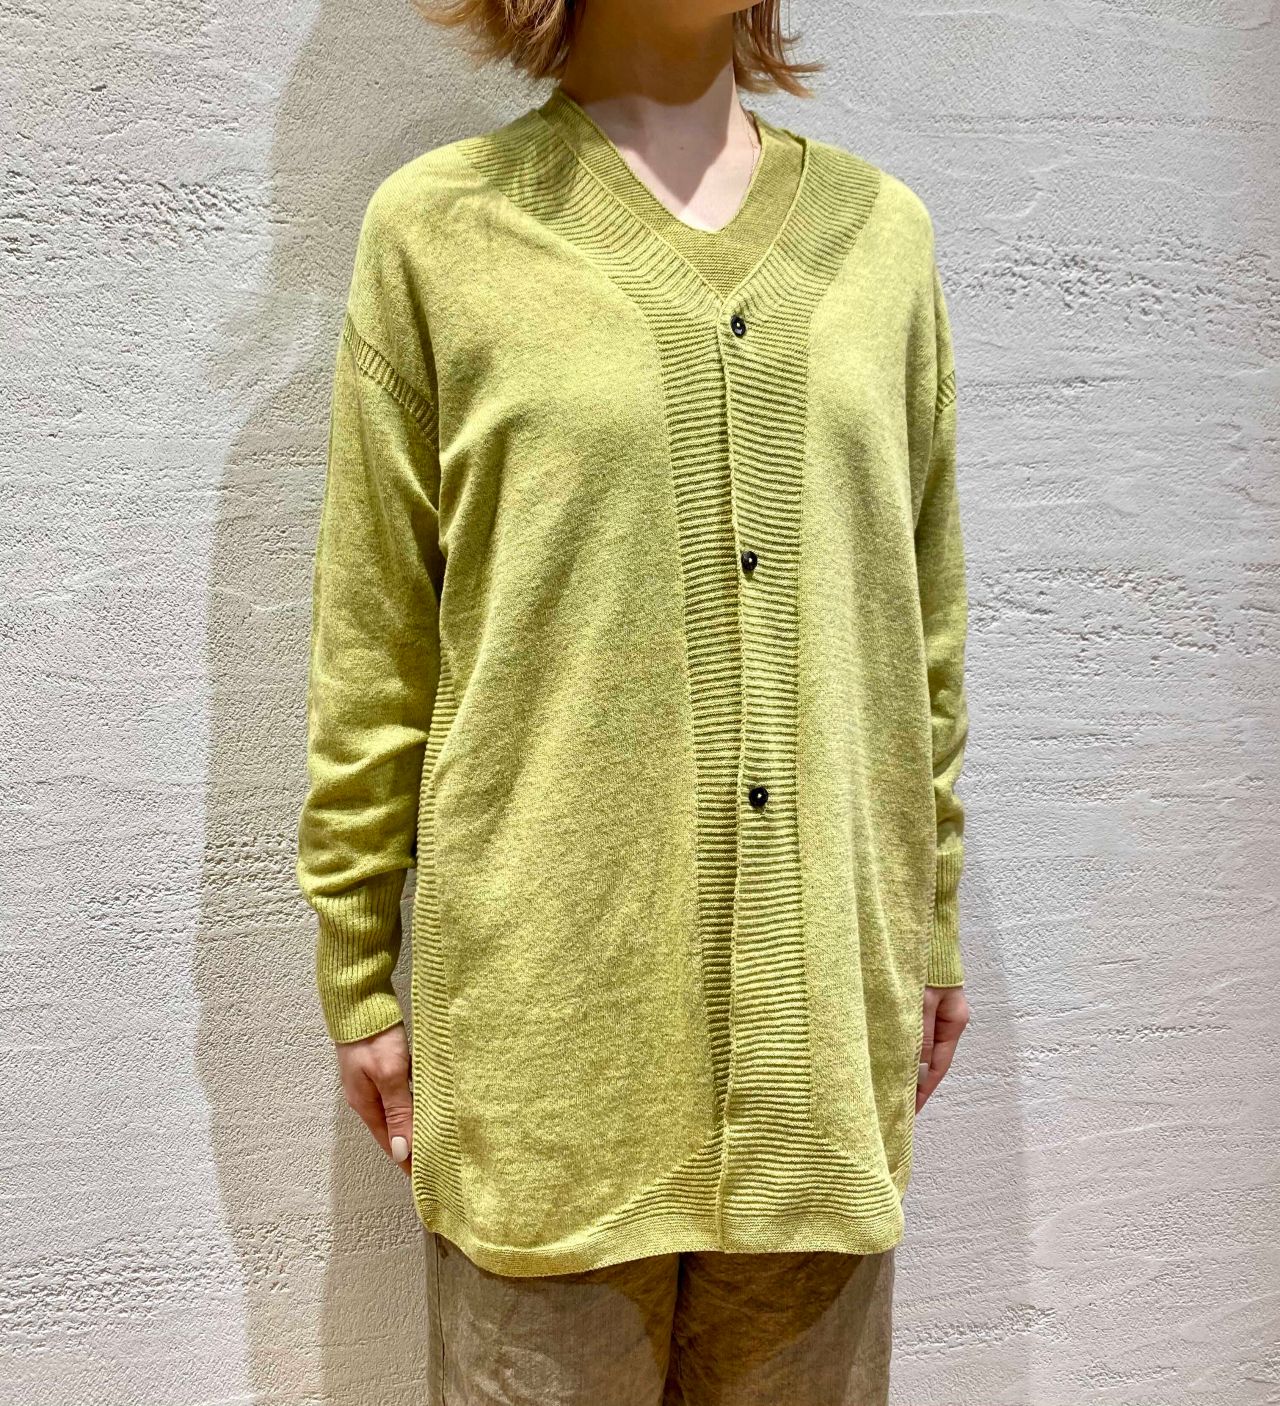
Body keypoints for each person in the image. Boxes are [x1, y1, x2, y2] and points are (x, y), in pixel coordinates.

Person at [294, 1, 973, 1401]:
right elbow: (375, 639)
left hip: (820, 1047)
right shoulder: (440, 232)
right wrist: (356, 962)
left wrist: (930, 921)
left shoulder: (884, 241)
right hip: (549, 1056)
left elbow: (923, 637)